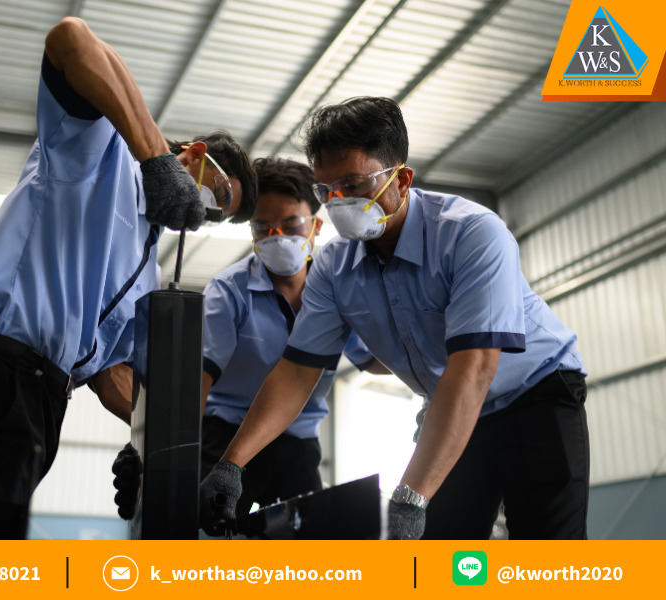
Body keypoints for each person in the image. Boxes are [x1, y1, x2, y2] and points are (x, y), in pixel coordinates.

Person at [0, 16, 257, 540]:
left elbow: (112, 377)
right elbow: (71, 37)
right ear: (195, 155)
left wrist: (153, 446)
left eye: (217, 216)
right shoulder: (100, 153)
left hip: (43, 403)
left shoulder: (147, 274)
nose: (206, 213)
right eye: (217, 195)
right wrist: (156, 159)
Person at [200, 96, 589, 541]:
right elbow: (296, 372)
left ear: (401, 180)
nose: (340, 201)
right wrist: (231, 464)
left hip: (537, 396)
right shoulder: (333, 268)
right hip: (453, 405)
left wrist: (412, 495)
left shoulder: (471, 234)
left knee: (548, 556)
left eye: (353, 184)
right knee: (438, 556)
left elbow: (474, 369)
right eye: (328, 191)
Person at [112, 157, 386, 527]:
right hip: (224, 436)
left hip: (298, 443)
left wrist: (434, 374)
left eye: (291, 224)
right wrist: (160, 452)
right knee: (203, 533)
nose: (277, 236)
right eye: (262, 227)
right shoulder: (229, 291)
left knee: (309, 544)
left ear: (316, 225)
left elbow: (375, 360)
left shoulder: (337, 290)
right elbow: (198, 382)